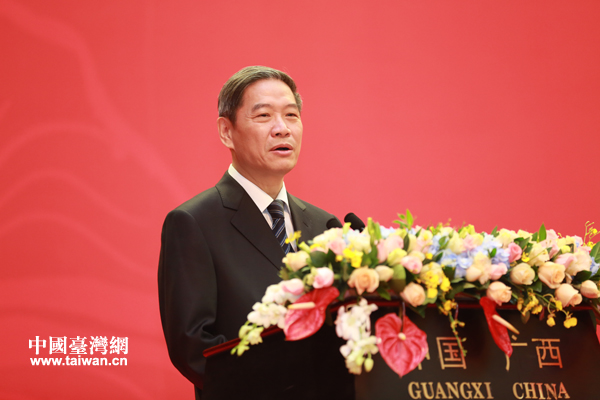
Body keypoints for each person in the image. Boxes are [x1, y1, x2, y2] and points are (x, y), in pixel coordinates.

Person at [158, 66, 351, 399]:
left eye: (291, 115)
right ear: (226, 132)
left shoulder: (325, 226)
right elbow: (194, 348)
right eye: (263, 116)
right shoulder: (193, 223)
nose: (282, 128)